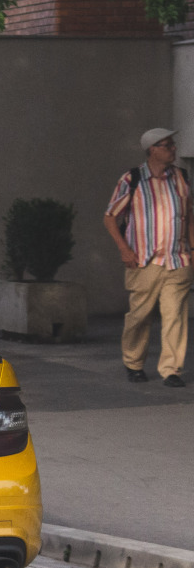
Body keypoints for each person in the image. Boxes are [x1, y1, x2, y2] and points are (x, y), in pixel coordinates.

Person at [104, 128, 194, 387]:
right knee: (139, 316)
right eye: (167, 145)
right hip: (144, 261)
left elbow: (189, 216)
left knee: (175, 315)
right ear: (152, 149)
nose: (173, 149)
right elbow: (110, 217)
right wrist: (124, 249)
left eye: (173, 144)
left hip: (177, 260)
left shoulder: (182, 177)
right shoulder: (133, 179)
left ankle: (171, 369)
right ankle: (133, 363)